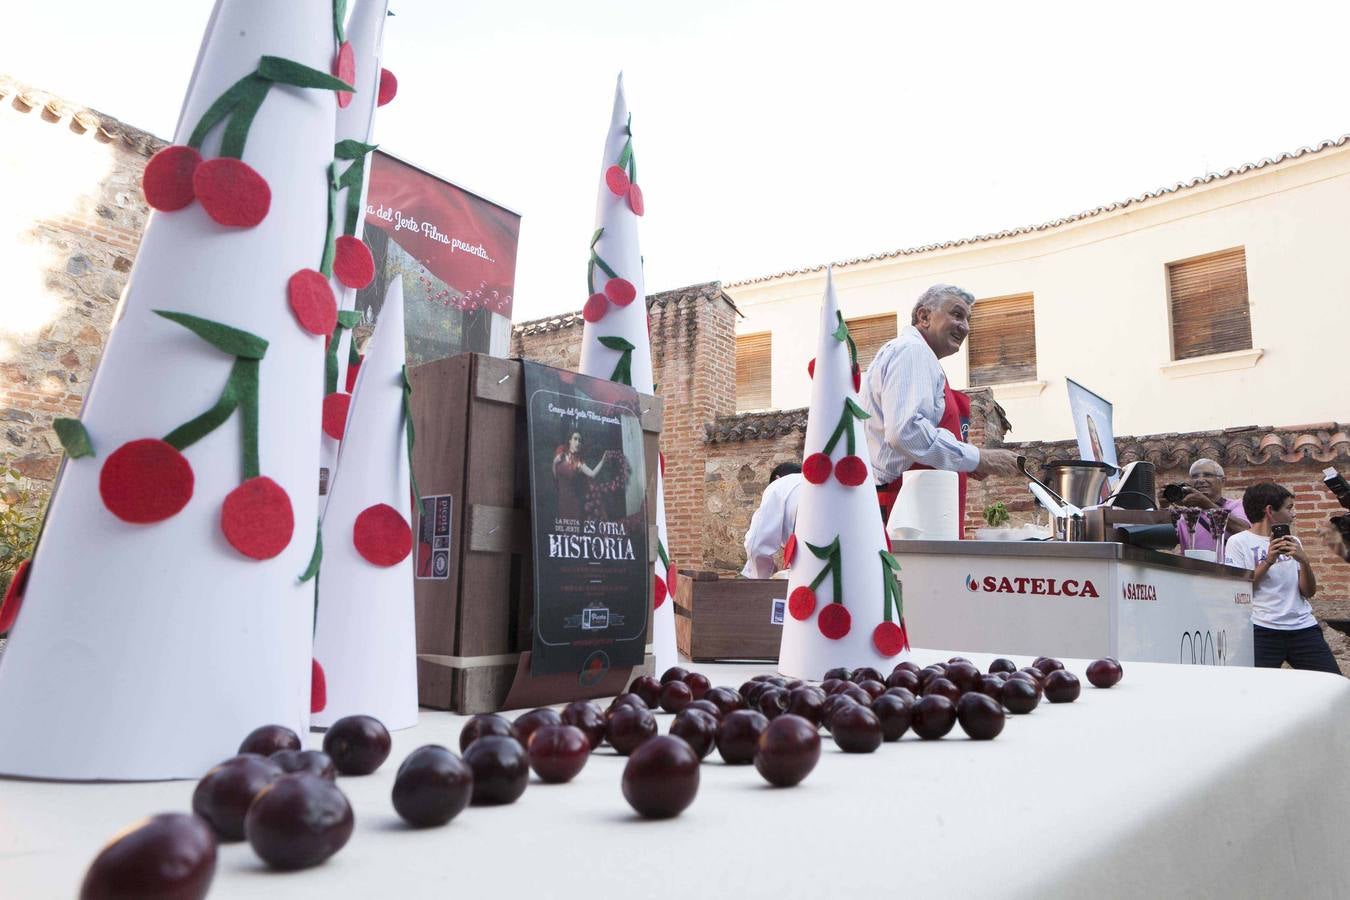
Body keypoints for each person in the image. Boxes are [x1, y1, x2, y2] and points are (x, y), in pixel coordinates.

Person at [860, 284, 1021, 527]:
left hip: (919, 507)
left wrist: (958, 461)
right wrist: (977, 458)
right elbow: (907, 431)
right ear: (924, 316)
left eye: (968, 319)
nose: (965, 327)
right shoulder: (913, 351)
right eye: (957, 315)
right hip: (904, 513)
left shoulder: (919, 356)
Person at [1224, 482, 1340, 674]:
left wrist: (1304, 562)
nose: (1293, 514)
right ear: (1270, 510)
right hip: (1262, 630)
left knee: (1333, 683)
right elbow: (1240, 591)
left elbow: (1308, 592)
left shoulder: (1293, 541)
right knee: (1251, 690)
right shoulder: (1238, 542)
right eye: (1289, 508)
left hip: (1303, 628)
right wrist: (1268, 560)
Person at [1171, 458, 1249, 553]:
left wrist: (1207, 505)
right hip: (1193, 568)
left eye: (1208, 475)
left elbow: (1245, 532)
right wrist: (1163, 506)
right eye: (1195, 476)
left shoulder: (1236, 505)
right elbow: (1164, 541)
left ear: (1223, 481)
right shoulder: (1186, 515)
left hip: (1229, 567)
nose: (1200, 480)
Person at [741, 462, 804, 579]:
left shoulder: (779, 485)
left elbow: (756, 545)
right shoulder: (818, 484)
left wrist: (762, 577)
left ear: (777, 479)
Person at [552, 431, 606, 520]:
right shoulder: (561, 451)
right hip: (560, 500)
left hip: (574, 503)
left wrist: (603, 461)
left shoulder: (579, 462)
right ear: (570, 440)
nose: (578, 442)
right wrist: (554, 463)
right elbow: (555, 476)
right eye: (575, 439)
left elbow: (592, 474)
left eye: (580, 440)